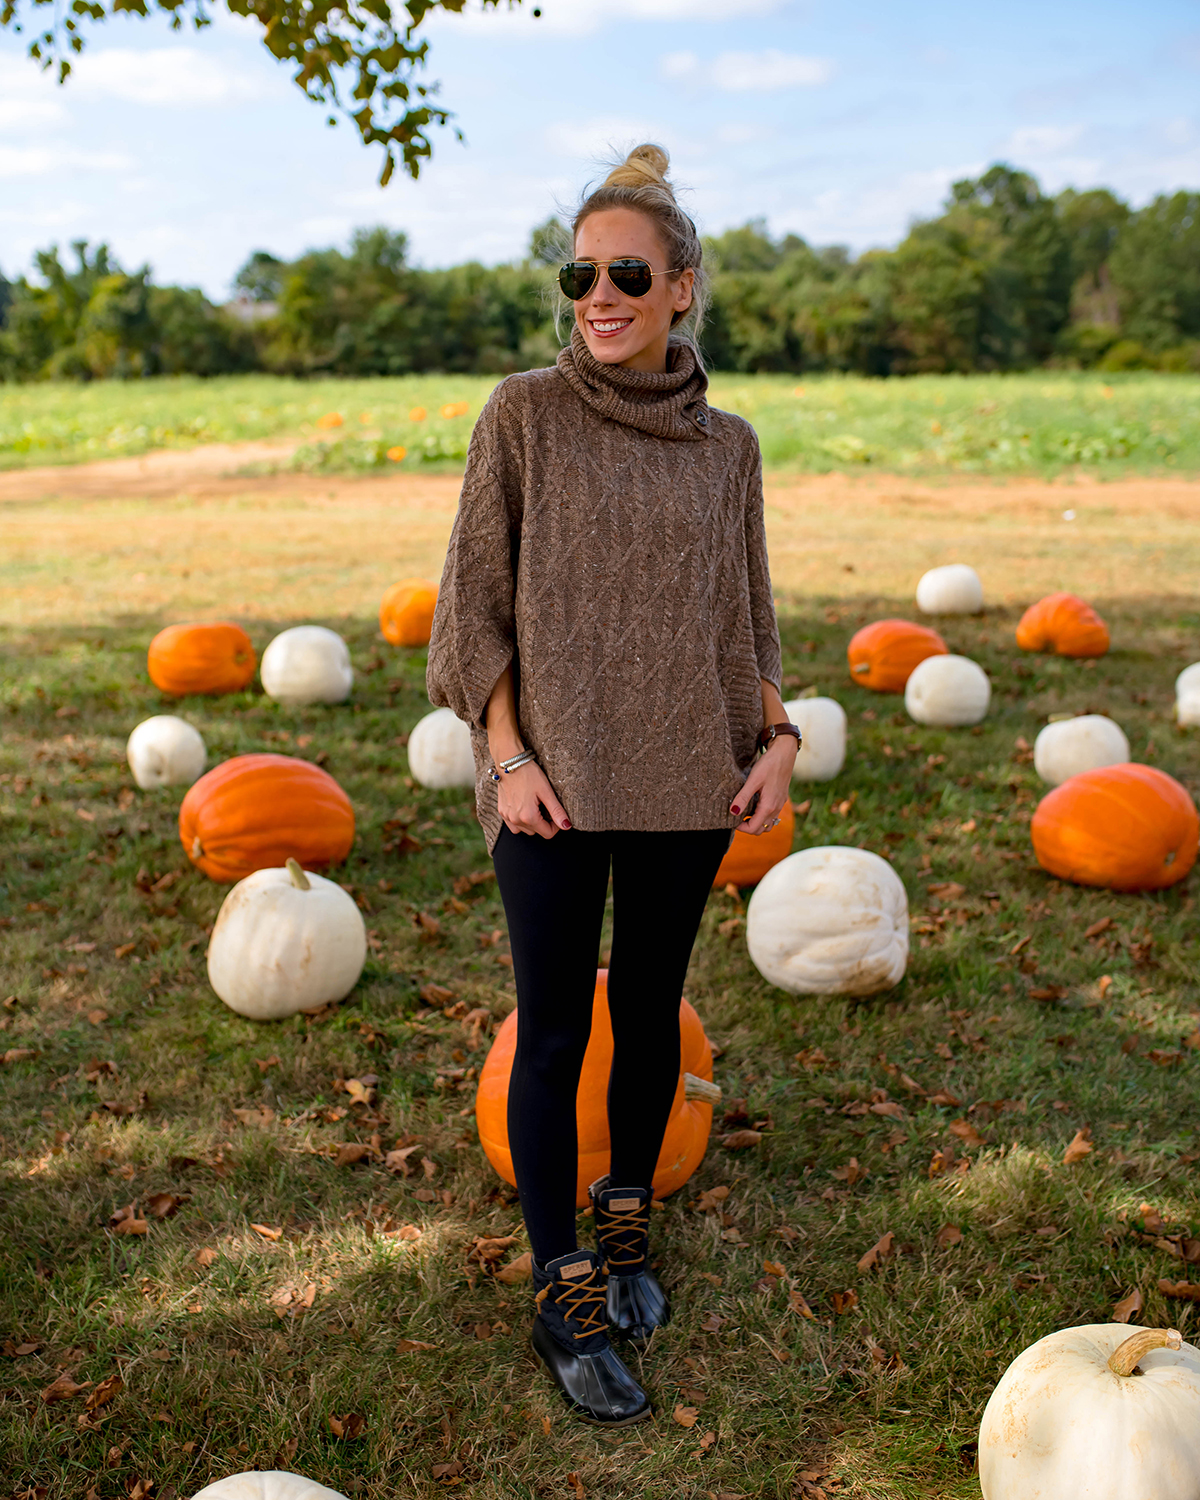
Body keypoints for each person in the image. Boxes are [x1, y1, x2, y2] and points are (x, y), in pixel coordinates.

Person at [427, 142, 798, 1426]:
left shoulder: (730, 447)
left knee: (649, 1008)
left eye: (626, 271)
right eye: (578, 270)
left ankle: (627, 1215)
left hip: (689, 775)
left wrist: (778, 735)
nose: (599, 291)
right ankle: (562, 1280)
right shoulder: (523, 414)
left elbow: (743, 617)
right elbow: (470, 612)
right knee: (555, 1025)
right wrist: (509, 756)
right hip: (553, 784)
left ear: (682, 287)